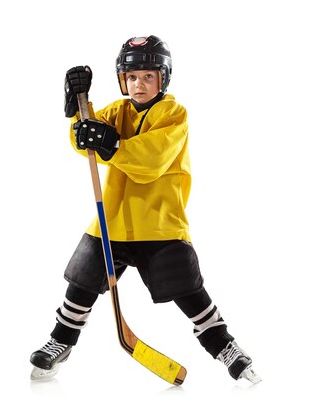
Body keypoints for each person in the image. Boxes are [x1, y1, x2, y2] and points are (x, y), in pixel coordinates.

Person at [30, 35, 260, 384]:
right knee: (82, 283)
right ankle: (59, 343)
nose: (139, 84)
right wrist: (76, 113)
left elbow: (151, 159)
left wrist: (113, 143)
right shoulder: (116, 112)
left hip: (159, 225)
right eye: (132, 77)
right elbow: (87, 141)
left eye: (148, 76)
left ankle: (226, 348)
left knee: (188, 290)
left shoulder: (173, 114)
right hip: (115, 221)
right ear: (123, 80)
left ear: (162, 78)